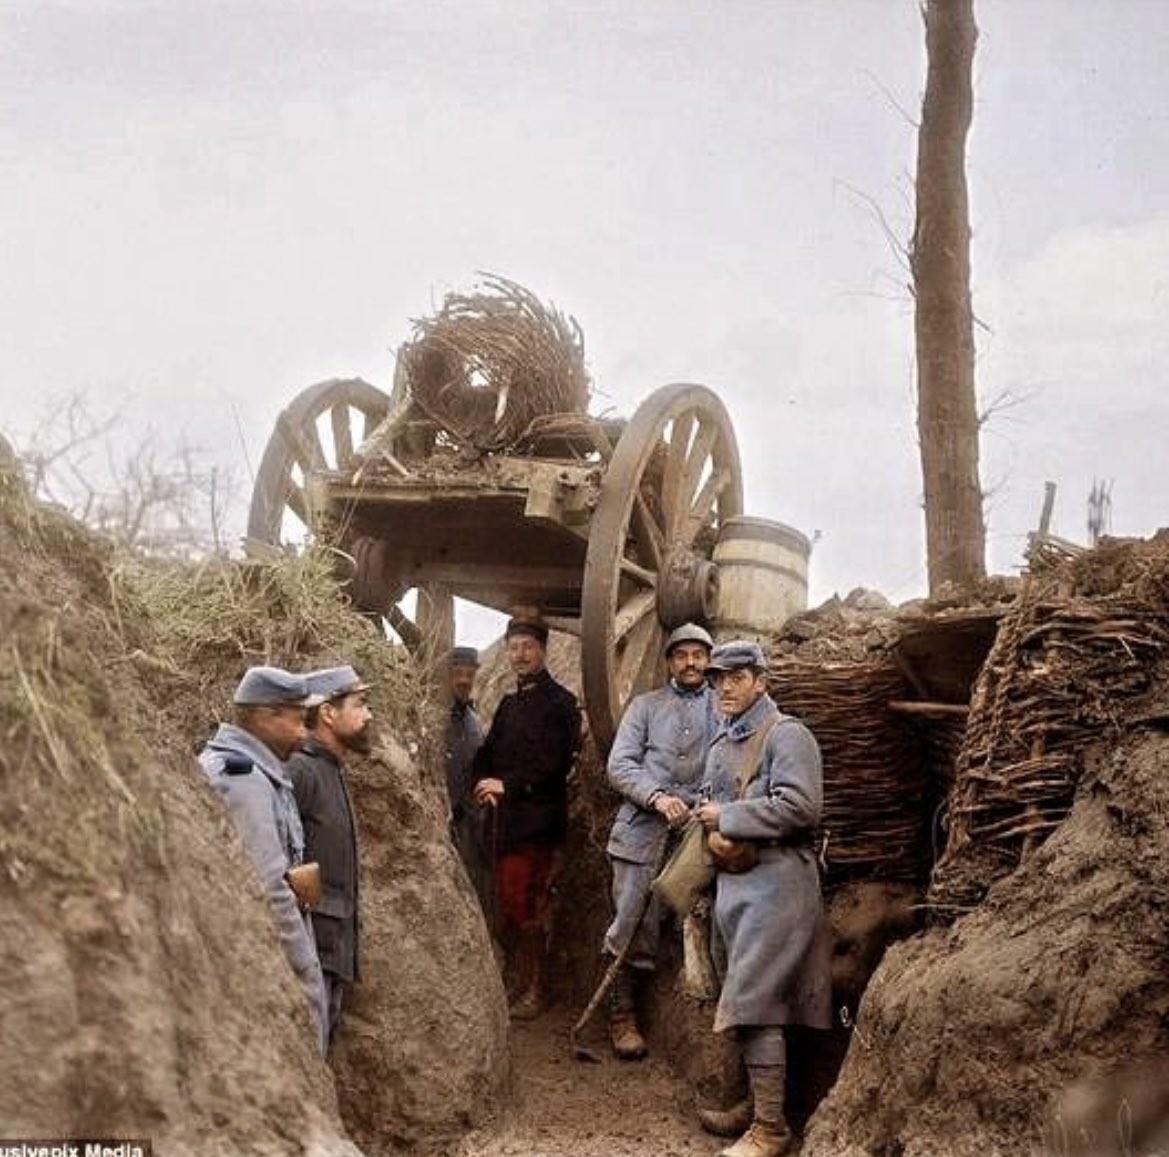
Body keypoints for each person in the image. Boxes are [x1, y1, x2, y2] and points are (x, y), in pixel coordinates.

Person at [694, 640, 832, 1157]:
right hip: (737, 891)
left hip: (777, 887)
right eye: (717, 679)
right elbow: (709, 804)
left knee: (756, 1004)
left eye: (736, 677)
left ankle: (772, 1129)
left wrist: (726, 817)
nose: (724, 687)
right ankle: (756, 1107)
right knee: (745, 999)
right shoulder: (722, 743)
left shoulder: (787, 735)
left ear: (761, 682)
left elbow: (801, 808)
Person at [197, 665, 329, 1055]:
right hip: (268, 965)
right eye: (297, 719)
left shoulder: (260, 772)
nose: (304, 733)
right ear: (266, 715)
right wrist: (305, 969)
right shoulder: (241, 779)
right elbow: (269, 887)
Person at [602, 622, 718, 1060]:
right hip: (642, 829)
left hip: (695, 832)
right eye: (682, 655)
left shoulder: (721, 709)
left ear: (708, 661)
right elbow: (621, 765)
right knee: (633, 920)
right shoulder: (645, 707)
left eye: (698, 655)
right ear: (669, 662)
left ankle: (689, 1015)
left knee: (696, 916)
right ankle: (622, 1012)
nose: (691, 663)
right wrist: (657, 797)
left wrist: (703, 807)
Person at [472, 609, 580, 1019]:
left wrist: (508, 785)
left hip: (538, 825)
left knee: (527, 905)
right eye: (513, 648)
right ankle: (519, 978)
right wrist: (482, 781)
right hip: (505, 824)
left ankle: (536, 988)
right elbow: (486, 753)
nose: (519, 655)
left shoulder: (562, 704)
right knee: (508, 903)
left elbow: (552, 765)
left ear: (543, 650)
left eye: (527, 648)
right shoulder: (508, 704)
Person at [287, 664, 371, 1047]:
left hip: (332, 947)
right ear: (327, 713)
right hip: (311, 950)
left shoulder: (330, 769)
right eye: (359, 704)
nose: (368, 715)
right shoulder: (301, 771)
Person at [443, 645, 493, 920]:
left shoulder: (474, 721)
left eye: (469, 673)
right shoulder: (436, 718)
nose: (463, 680)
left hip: (474, 825)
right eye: (457, 673)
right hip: (447, 823)